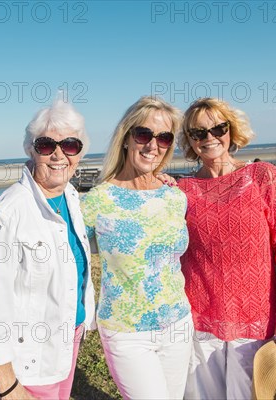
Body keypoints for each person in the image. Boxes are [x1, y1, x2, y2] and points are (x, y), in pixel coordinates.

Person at [177, 97, 276, 399]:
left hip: (256, 321)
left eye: (217, 128)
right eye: (198, 133)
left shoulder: (263, 177)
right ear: (189, 141)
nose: (209, 138)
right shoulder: (181, 190)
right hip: (198, 322)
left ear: (231, 130)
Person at [0, 97, 96, 400]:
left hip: (66, 342)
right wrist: (8, 382)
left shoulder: (72, 198)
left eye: (70, 145)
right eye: (45, 145)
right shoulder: (9, 211)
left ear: (80, 152)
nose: (58, 155)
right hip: (30, 360)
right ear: (31, 149)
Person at [81, 96, 192, 399]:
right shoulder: (98, 200)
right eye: (144, 134)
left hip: (178, 323)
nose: (152, 145)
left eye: (164, 137)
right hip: (126, 332)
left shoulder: (174, 197)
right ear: (127, 138)